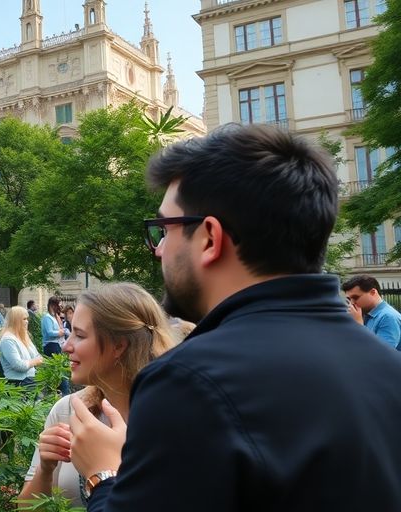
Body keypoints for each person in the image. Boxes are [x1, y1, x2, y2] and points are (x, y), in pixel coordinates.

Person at [69, 124, 401, 511]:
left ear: (209, 237)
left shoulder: (189, 380)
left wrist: (103, 474)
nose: (159, 250)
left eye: (164, 229)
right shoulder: (387, 364)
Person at [18, 283, 176, 509]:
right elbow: (26, 508)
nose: (66, 346)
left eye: (80, 335)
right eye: (69, 331)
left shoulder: (173, 420)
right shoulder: (67, 410)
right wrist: (45, 469)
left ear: (118, 346)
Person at [342, 275, 401, 349]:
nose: (352, 303)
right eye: (349, 299)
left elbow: (382, 353)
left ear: (373, 292)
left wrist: (359, 326)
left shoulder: (388, 317)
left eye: (356, 297)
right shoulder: (363, 314)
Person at [0, 306, 42, 388]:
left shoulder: (23, 336)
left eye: (27, 319)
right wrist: (35, 362)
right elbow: (18, 365)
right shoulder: (8, 340)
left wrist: (36, 360)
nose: (27, 322)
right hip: (18, 384)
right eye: (24, 319)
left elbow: (37, 355)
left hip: (30, 381)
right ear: (16, 321)